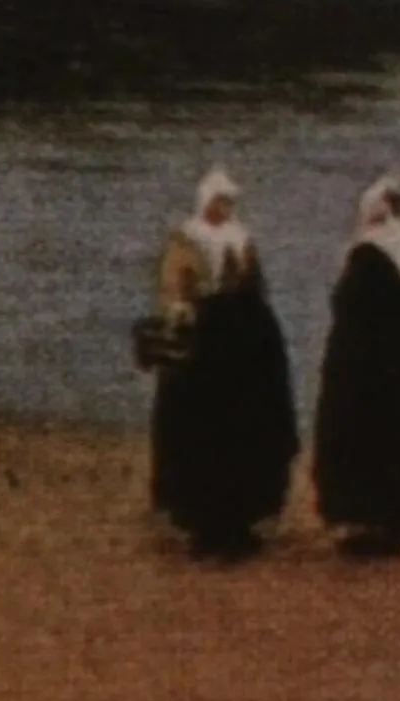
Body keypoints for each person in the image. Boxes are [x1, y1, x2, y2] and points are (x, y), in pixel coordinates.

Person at [133, 166, 300, 561]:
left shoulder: (242, 238)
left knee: (245, 428)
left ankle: (241, 518)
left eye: (228, 202)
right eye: (219, 201)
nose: (224, 208)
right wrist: (180, 311)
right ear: (205, 201)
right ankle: (201, 521)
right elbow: (173, 288)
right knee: (199, 431)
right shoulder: (185, 238)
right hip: (204, 342)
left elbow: (256, 286)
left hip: (244, 344)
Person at [312, 171, 400, 558]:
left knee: (356, 430)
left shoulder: (359, 246)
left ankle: (359, 517)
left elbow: (343, 301)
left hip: (355, 357)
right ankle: (397, 519)